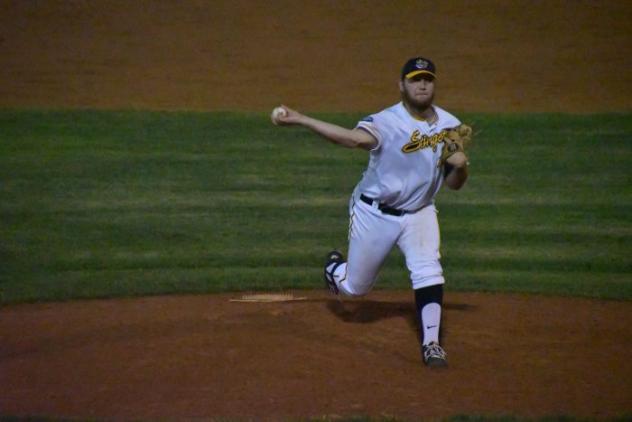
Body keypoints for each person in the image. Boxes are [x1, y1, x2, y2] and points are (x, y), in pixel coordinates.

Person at [272, 56, 470, 368]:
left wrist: (461, 167)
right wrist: (302, 119)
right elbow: (351, 139)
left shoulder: (450, 125)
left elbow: (454, 184)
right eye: (415, 79)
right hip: (374, 213)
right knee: (354, 289)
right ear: (401, 85)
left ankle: (432, 345)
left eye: (427, 79)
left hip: (420, 213)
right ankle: (334, 269)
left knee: (428, 270)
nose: (422, 85)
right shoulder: (386, 121)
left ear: (434, 84)